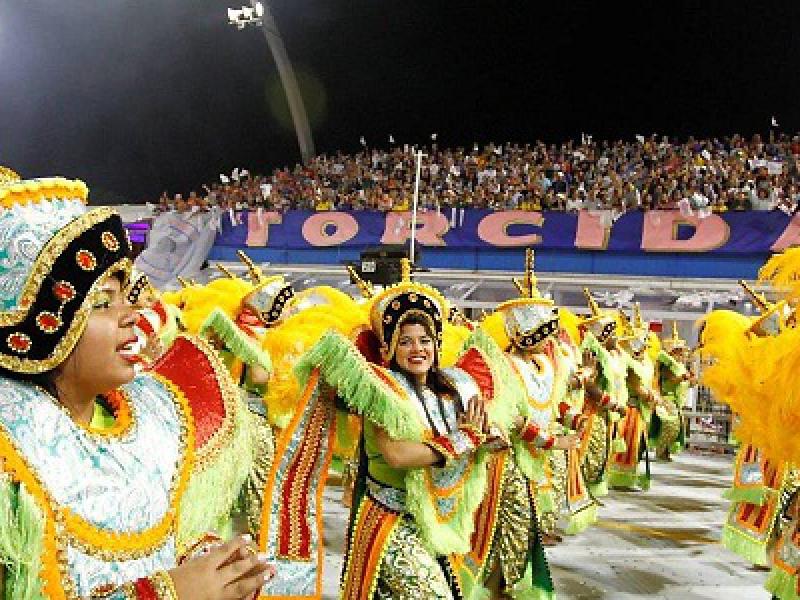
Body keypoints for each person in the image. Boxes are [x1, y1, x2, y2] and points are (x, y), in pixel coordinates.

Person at [0, 168, 273, 598]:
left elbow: (162, 546)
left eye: (125, 296)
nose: (131, 315)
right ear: (42, 326)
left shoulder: (156, 415)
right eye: (102, 302)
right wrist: (169, 593)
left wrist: (211, 566)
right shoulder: (10, 453)